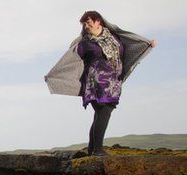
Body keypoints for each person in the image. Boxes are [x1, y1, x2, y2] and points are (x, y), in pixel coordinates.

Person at [45, 11, 155, 156]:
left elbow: (128, 47)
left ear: (98, 21)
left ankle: (92, 149)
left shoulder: (114, 37)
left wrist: (146, 44)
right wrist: (56, 74)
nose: (86, 25)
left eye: (88, 22)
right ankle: (98, 150)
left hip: (113, 83)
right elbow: (69, 59)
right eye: (84, 24)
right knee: (103, 113)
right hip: (95, 84)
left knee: (100, 115)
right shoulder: (85, 43)